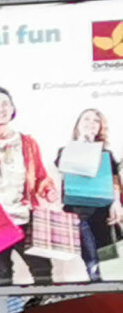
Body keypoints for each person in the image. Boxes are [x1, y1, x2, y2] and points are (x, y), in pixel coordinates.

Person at [0, 86, 58, 287]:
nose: (0, 108)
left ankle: (44, 310)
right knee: (2, 272)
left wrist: (48, 190)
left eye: (5, 103)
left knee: (42, 269)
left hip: (25, 215)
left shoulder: (27, 142)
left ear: (13, 108)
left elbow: (40, 174)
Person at [60, 107, 118, 283]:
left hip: (102, 212)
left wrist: (117, 204)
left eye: (96, 121)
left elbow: (114, 181)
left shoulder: (107, 154)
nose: (91, 123)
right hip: (77, 212)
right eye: (86, 119)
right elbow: (64, 171)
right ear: (78, 125)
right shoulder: (66, 150)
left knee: (109, 259)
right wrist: (82, 143)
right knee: (91, 259)